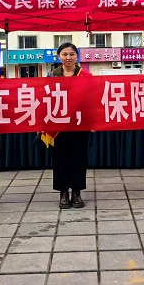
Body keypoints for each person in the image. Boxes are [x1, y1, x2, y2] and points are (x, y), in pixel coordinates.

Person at [46, 42, 91, 209]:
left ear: (77, 56)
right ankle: (63, 192)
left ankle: (77, 192)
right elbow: (45, 99)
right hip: (59, 125)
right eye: (64, 54)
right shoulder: (52, 76)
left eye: (72, 54)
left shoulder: (85, 76)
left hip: (80, 123)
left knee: (79, 158)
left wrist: (93, 121)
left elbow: (92, 99)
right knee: (60, 159)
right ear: (59, 56)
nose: (68, 57)